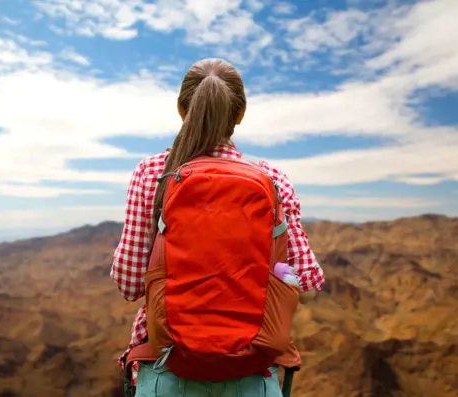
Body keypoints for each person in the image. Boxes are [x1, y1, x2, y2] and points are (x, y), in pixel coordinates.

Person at [110, 58, 325, 397]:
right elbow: (308, 283)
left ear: (183, 110)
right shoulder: (272, 179)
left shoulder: (153, 173)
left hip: (168, 369)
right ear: (239, 114)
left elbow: (129, 282)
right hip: (251, 370)